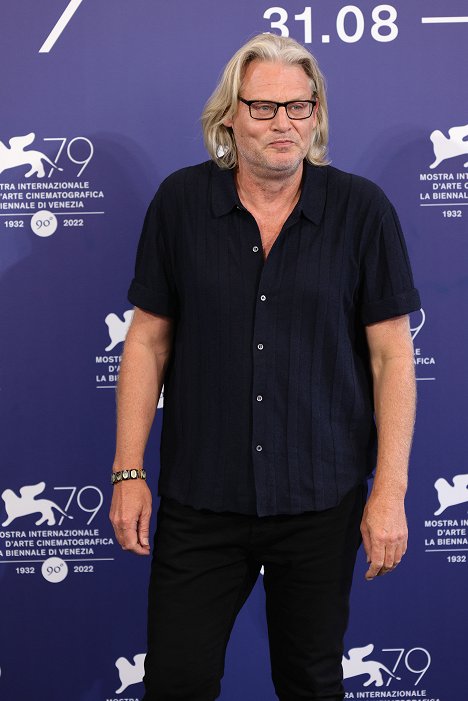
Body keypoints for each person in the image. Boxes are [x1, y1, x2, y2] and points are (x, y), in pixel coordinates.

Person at [109, 32, 420, 701]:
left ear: (317, 113)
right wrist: (128, 469)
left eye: (300, 107)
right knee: (176, 682)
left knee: (311, 682)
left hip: (320, 499)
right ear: (229, 116)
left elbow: (393, 355)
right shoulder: (181, 205)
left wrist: (388, 489)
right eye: (264, 108)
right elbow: (147, 343)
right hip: (202, 498)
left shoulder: (362, 211)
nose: (285, 123)